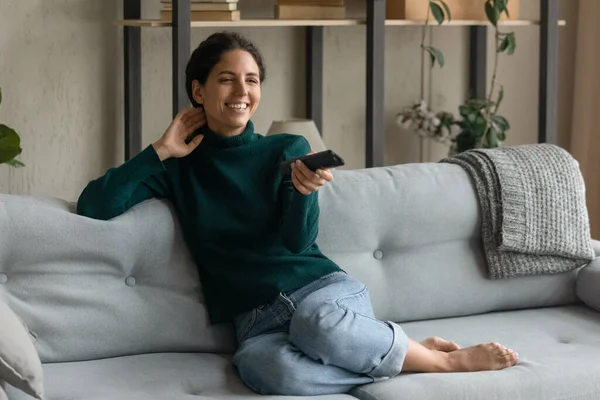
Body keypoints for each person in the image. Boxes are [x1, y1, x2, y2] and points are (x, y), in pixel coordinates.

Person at [77, 31, 519, 396]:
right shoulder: (175, 168)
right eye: (226, 79)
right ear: (198, 90)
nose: (241, 91)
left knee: (316, 325)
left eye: (251, 80)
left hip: (322, 294)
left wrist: (303, 193)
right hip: (256, 323)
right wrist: (160, 148)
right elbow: (96, 204)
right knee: (270, 373)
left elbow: (297, 244)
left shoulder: (286, 149)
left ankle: (443, 362)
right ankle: (402, 353)